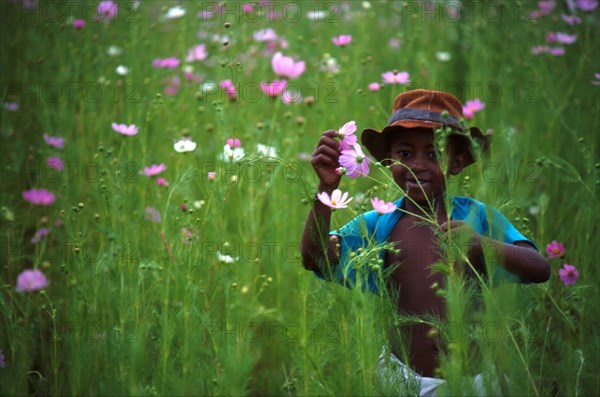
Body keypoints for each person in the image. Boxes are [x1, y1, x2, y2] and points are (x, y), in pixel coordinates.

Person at [300, 89, 551, 395]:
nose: (416, 165)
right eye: (405, 154)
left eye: (433, 154)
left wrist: (482, 244)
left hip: (477, 382)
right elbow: (315, 258)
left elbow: (540, 268)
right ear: (389, 160)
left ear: (457, 162)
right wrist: (325, 191)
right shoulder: (379, 222)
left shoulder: (478, 217)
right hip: (404, 380)